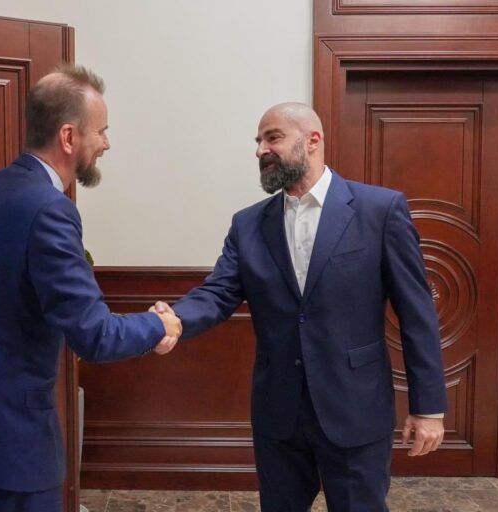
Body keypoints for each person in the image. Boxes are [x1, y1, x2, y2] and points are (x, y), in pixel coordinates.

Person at [154, 103, 446, 511]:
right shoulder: (248, 224)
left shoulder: (379, 211)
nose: (261, 150)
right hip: (279, 412)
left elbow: (416, 313)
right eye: (258, 141)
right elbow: (218, 292)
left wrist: (428, 408)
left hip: (355, 408)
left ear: (312, 140)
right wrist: (175, 320)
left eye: (272, 137)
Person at [0, 65, 182, 512]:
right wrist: (160, 326)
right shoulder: (48, 208)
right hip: (9, 437)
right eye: (101, 131)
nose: (106, 143)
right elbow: (94, 335)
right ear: (68, 136)